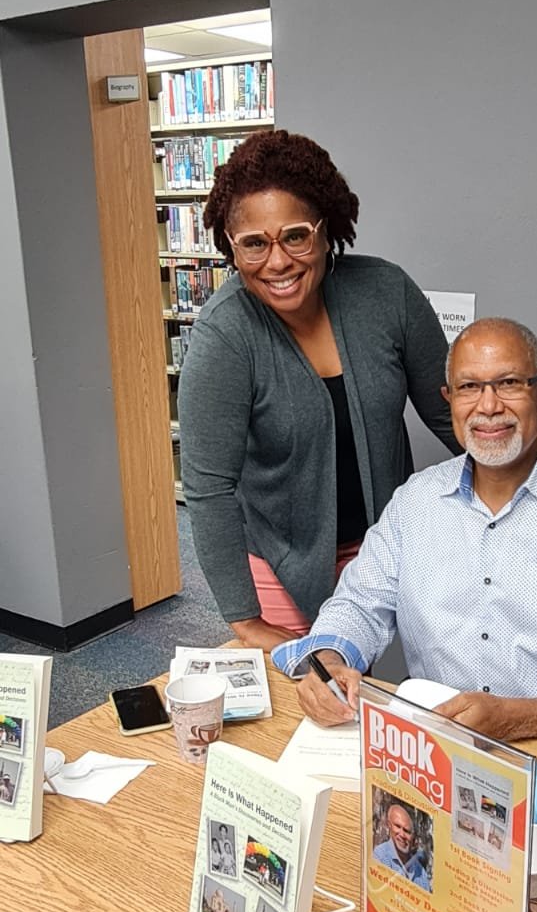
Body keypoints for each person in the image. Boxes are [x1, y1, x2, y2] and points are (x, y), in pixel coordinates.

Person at [274, 318, 537, 745]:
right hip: (432, 749)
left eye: (508, 383)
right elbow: (359, 604)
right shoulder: (416, 502)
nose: (488, 406)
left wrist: (526, 718)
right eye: (469, 387)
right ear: (449, 399)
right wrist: (328, 659)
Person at [178, 130, 458, 651]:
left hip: (378, 546)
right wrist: (243, 619)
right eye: (254, 244)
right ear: (231, 248)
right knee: (302, 706)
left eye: (295, 236)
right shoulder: (225, 335)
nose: (277, 262)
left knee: (355, 696)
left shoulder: (386, 293)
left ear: (325, 230)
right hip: (277, 561)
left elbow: (451, 418)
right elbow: (208, 487)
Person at [374, 802, 431, 890]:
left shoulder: (421, 873)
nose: (402, 835)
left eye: (407, 831)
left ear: (414, 837)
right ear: (389, 825)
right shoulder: (380, 855)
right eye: (397, 826)